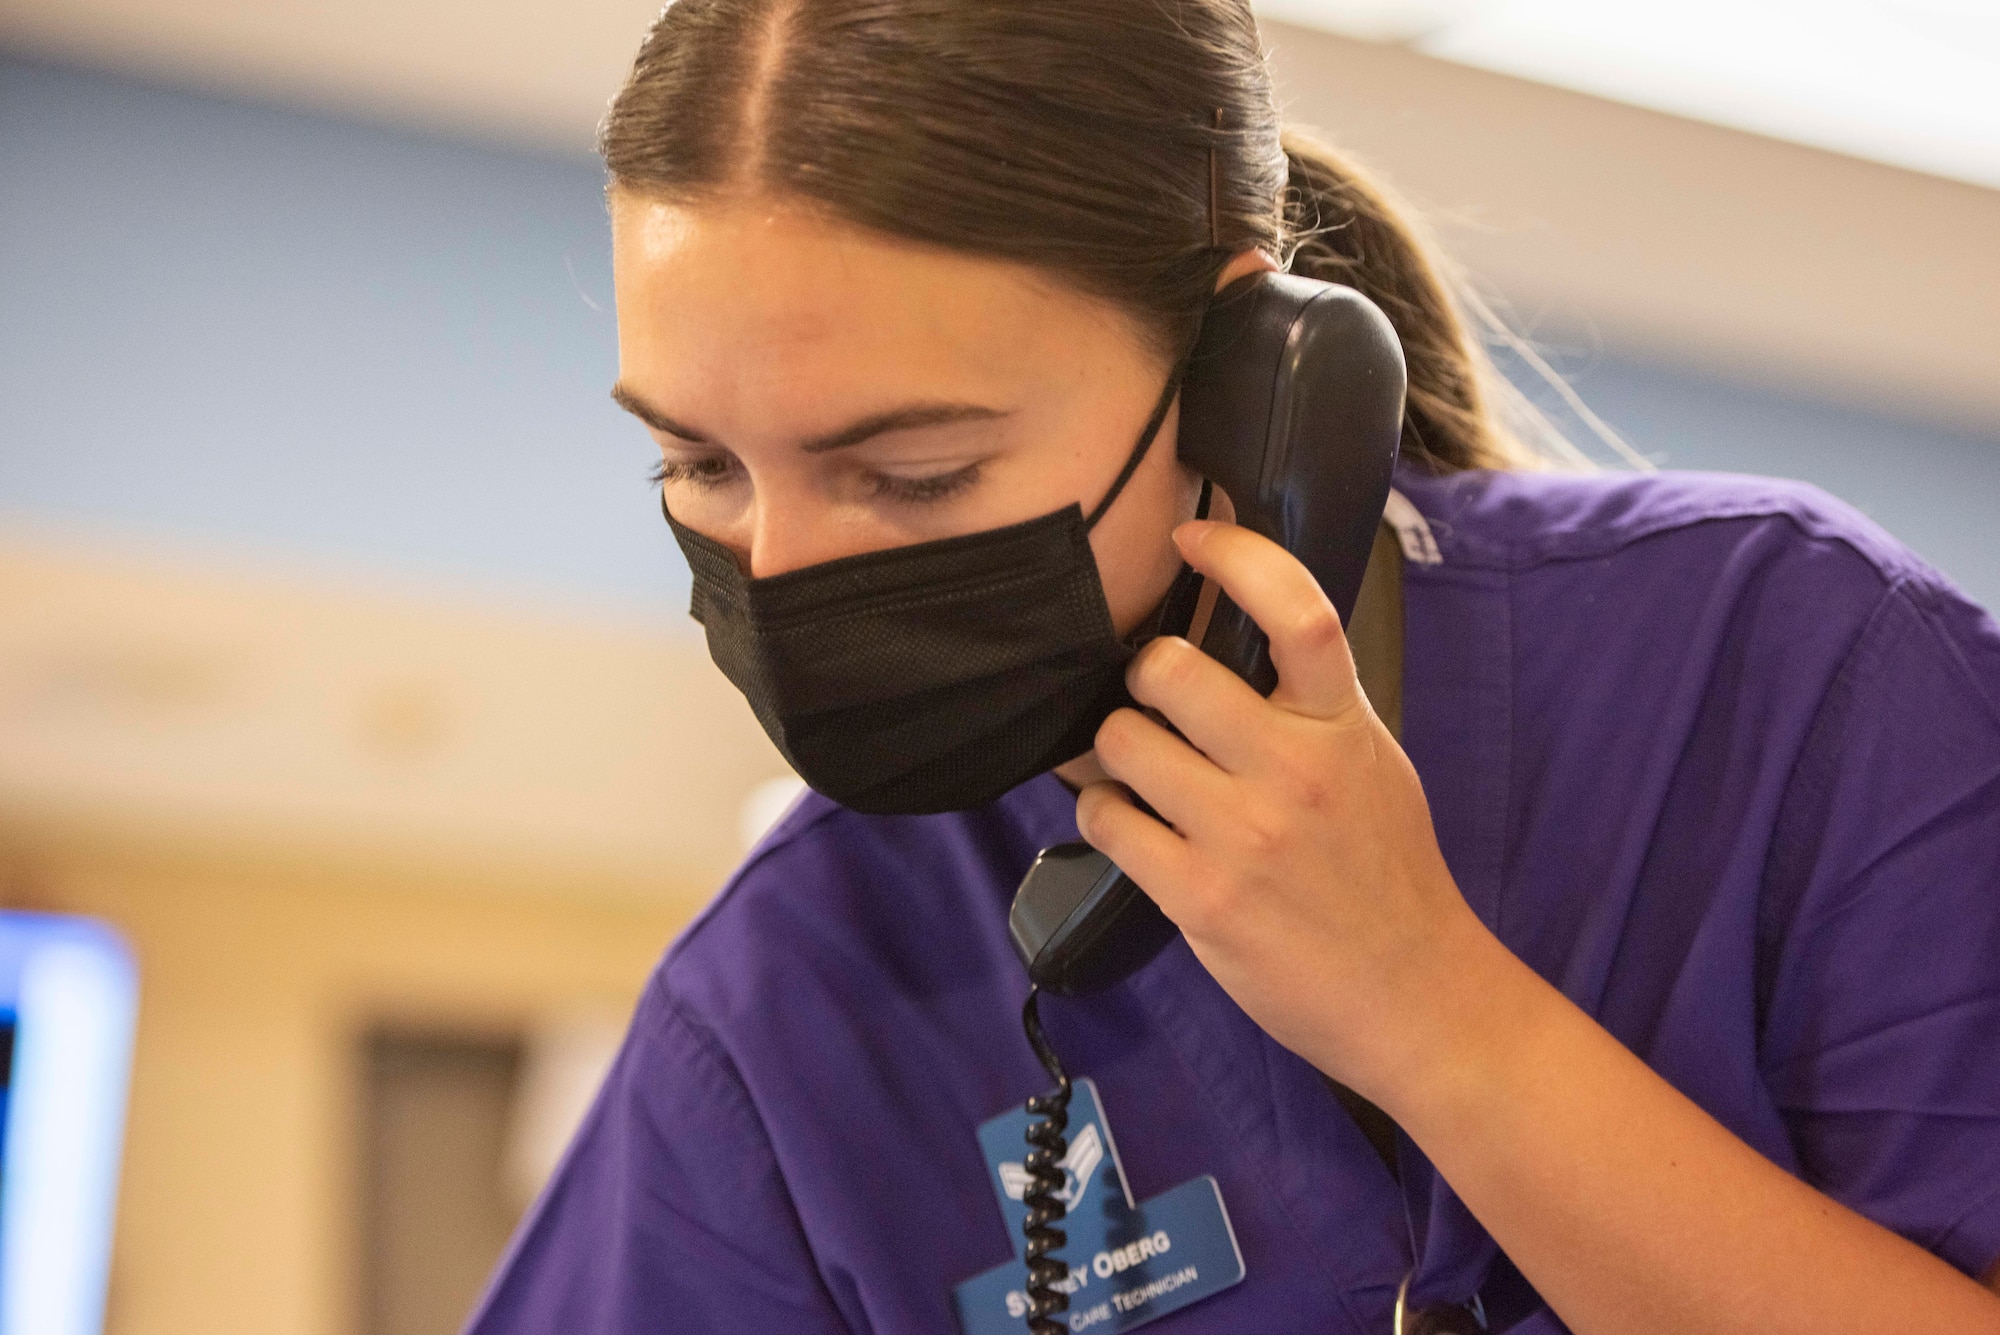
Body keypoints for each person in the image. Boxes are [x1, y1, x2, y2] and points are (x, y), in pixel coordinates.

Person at [466, 2, 2000, 1332]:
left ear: (1241, 377)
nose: (780, 571)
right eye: (700, 462)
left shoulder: (1793, 669)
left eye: (918, 474)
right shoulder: (790, 991)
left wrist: (1434, 1012)